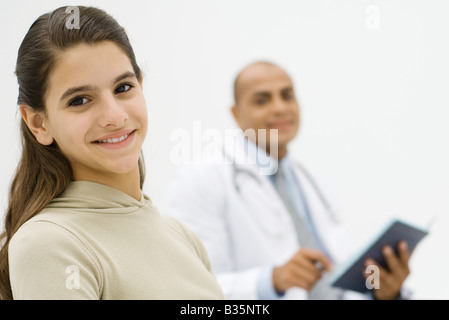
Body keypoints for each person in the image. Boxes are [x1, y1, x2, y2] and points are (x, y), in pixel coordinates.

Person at [0, 6, 225, 300]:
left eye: (123, 87)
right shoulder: (48, 243)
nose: (115, 116)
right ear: (38, 123)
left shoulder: (181, 236)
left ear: (141, 85)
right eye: (80, 100)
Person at [162, 61, 412, 300]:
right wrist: (269, 281)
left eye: (287, 95)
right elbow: (190, 287)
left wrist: (382, 292)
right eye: (262, 100)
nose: (280, 107)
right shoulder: (201, 180)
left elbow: (335, 276)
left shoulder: (311, 181)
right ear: (236, 114)